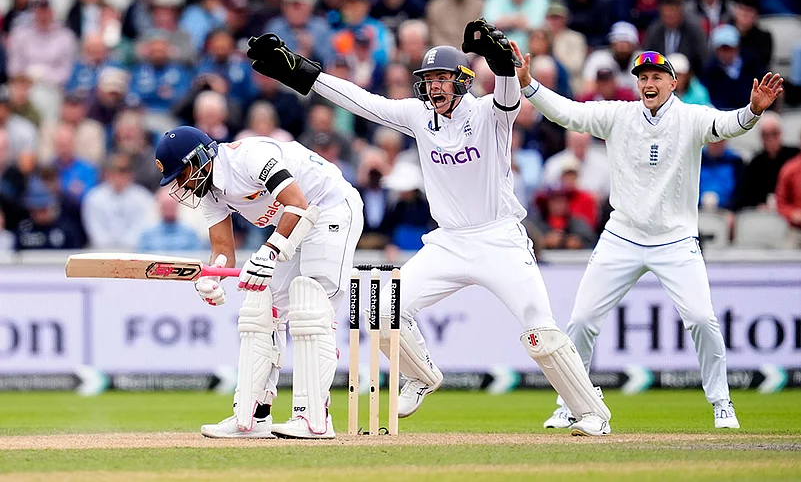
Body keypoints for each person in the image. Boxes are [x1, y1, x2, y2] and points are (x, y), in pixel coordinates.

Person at [245, 21, 613, 436]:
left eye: (442, 78)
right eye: (429, 79)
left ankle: (591, 413)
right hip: (448, 242)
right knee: (382, 310)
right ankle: (420, 377)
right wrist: (301, 71)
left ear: (463, 81)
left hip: (500, 239)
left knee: (539, 331)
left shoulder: (489, 112)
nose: (434, 87)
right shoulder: (419, 116)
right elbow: (363, 102)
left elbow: (508, 90)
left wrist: (500, 61)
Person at [514, 44, 783, 429]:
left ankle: (722, 403)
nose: (649, 83)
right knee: (582, 320)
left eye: (657, 76)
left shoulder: (691, 117)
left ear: (673, 83)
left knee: (702, 320)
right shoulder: (618, 115)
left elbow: (728, 125)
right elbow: (569, 113)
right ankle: (571, 404)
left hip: (676, 241)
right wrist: (529, 85)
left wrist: (753, 110)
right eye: (642, 77)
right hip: (621, 237)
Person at [153, 125, 363, 439]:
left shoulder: (250, 157)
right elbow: (223, 250)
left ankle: (314, 418)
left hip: (331, 207)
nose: (182, 185)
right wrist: (213, 277)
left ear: (200, 159)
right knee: (263, 309)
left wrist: (269, 251)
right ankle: (253, 416)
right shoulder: (210, 193)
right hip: (294, 222)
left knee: (312, 306)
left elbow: (297, 203)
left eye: (182, 175)